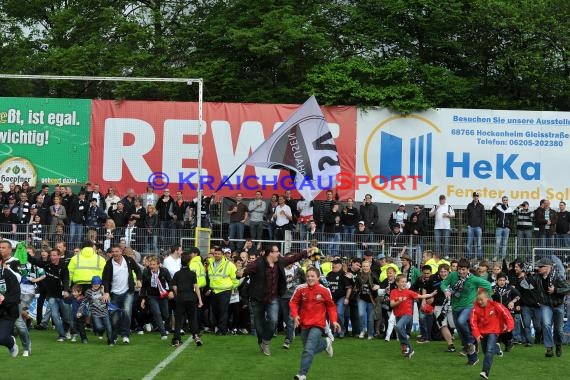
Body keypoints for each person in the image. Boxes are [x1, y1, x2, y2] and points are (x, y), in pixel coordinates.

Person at [239, 244, 315, 356]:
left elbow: (292, 258)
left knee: (273, 321)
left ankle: (266, 342)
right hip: (257, 299)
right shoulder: (257, 263)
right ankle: (261, 340)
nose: (279, 253)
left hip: (273, 298)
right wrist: (239, 273)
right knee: (259, 325)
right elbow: (243, 272)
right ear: (270, 253)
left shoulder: (279, 261)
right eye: (277, 251)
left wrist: (306, 252)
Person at [289, 267, 341, 380]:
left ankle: (302, 374)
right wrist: (295, 315)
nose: (310, 278)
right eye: (308, 276)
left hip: (318, 324)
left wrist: (334, 321)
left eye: (312, 276)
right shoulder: (300, 288)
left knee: (308, 349)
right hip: (304, 323)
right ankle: (326, 343)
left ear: (318, 277)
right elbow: (293, 302)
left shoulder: (324, 290)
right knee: (308, 349)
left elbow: (331, 307)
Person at [441, 258, 492, 365]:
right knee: (462, 336)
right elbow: (444, 283)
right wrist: (445, 290)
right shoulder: (453, 275)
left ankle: (472, 340)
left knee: (460, 321)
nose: (461, 271)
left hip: (469, 306)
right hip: (455, 307)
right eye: (459, 269)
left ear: (468, 269)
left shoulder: (473, 279)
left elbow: (488, 285)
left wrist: (486, 299)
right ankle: (473, 358)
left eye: (463, 269)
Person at [525, 257, 570, 357]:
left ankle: (558, 345)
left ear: (548, 267)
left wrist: (556, 290)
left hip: (558, 305)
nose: (538, 268)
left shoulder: (557, 276)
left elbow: (567, 288)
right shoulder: (537, 277)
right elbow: (525, 285)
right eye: (538, 266)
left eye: (541, 266)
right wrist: (526, 274)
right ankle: (549, 348)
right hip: (545, 305)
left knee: (558, 330)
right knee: (546, 324)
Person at [470, 287, 515, 379]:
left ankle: (485, 371)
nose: (480, 302)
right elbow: (473, 323)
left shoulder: (496, 305)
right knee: (486, 351)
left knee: (489, 351)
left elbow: (506, 314)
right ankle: (496, 348)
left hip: (493, 331)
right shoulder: (474, 309)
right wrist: (477, 335)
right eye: (478, 300)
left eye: (482, 299)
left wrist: (510, 326)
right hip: (482, 333)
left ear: (487, 298)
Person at [390, 273, 437, 358]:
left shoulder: (409, 292)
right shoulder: (393, 292)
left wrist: (431, 294)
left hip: (407, 314)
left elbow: (421, 296)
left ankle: (409, 348)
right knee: (400, 332)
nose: (404, 283)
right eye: (402, 282)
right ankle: (405, 348)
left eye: (405, 282)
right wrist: (398, 301)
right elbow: (392, 304)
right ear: (397, 283)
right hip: (398, 315)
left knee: (398, 327)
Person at [102, 244, 141, 344]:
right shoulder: (109, 264)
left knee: (127, 312)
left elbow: (138, 269)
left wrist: (139, 280)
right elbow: (105, 279)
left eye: (117, 251)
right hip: (114, 293)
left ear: (121, 252)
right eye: (113, 252)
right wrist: (106, 292)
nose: (115, 254)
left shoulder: (128, 260)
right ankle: (114, 336)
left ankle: (125, 335)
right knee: (114, 316)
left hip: (128, 291)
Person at [171, 252, 203, 347]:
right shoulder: (192, 274)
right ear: (189, 262)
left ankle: (176, 340)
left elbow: (175, 288)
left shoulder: (177, 274)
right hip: (191, 298)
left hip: (181, 298)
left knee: (179, 320)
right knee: (192, 318)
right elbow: (196, 287)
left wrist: (178, 295)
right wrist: (200, 300)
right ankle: (196, 336)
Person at [207, 246, 238, 336]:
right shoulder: (211, 263)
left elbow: (235, 278)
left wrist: (231, 287)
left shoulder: (229, 265)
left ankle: (222, 330)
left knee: (223, 311)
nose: (217, 255)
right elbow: (211, 277)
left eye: (219, 254)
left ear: (222, 254)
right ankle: (218, 327)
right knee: (215, 311)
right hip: (214, 291)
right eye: (215, 253)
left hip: (224, 291)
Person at [140, 255, 173, 339]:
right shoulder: (146, 272)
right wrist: (143, 299)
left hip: (163, 295)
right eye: (151, 264)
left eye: (154, 264)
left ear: (158, 265)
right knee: (157, 313)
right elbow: (144, 286)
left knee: (166, 315)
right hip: (152, 296)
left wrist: (171, 291)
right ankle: (163, 333)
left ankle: (162, 324)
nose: (152, 266)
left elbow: (170, 281)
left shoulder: (164, 271)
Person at [325, 258, 352, 338]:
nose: (333, 265)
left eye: (335, 264)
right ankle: (334, 331)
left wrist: (347, 298)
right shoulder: (329, 274)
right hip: (331, 298)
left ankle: (341, 330)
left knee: (339, 313)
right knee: (331, 315)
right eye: (332, 264)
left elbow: (349, 288)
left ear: (340, 265)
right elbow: (326, 286)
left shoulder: (344, 275)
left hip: (341, 297)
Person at [85, 276, 115, 346]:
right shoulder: (88, 292)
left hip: (105, 312)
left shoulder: (104, 291)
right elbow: (85, 301)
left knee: (109, 327)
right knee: (99, 327)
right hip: (95, 313)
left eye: (98, 284)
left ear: (100, 284)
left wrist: (103, 292)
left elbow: (109, 300)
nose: (96, 285)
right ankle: (101, 331)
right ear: (92, 284)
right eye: (94, 284)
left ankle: (111, 341)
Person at [0, 263, 20, 357]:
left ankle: (11, 343)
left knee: (2, 338)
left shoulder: (9, 276)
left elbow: (16, 296)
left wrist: (4, 298)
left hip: (7, 312)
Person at [429, 195, 455, 259]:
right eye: (441, 199)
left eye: (443, 199)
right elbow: (430, 215)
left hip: (446, 227)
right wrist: (436, 209)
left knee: (446, 241)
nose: (442, 200)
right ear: (439, 199)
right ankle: (437, 255)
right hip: (437, 227)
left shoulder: (448, 206)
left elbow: (453, 215)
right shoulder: (435, 206)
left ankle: (446, 255)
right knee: (437, 242)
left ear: (445, 199)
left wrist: (448, 215)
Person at [492, 196, 514, 262]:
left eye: (506, 200)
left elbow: (511, 220)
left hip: (506, 229)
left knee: (504, 244)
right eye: (504, 200)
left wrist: (509, 228)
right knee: (497, 243)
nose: (505, 201)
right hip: (499, 228)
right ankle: (495, 256)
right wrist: (495, 206)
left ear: (507, 201)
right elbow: (492, 213)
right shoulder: (498, 208)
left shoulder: (510, 209)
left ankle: (503, 258)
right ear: (502, 201)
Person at [466, 192, 485, 260]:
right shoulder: (469, 205)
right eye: (474, 196)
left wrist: (481, 227)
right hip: (470, 227)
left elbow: (483, 217)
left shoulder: (481, 206)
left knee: (479, 244)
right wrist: (468, 224)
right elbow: (467, 216)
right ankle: (469, 256)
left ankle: (479, 257)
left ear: (478, 197)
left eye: (477, 196)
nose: (476, 197)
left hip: (478, 227)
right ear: (473, 197)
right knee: (469, 243)